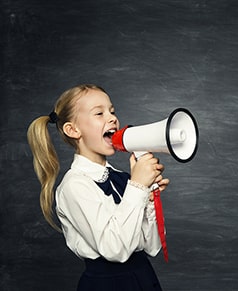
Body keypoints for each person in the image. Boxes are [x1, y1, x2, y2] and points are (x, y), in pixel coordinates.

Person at [27, 84, 169, 291]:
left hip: (144, 277)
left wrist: (147, 199)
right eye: (99, 113)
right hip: (107, 284)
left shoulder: (123, 179)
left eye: (112, 111)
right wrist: (138, 186)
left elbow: (152, 247)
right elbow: (116, 250)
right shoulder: (74, 186)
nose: (112, 118)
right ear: (73, 130)